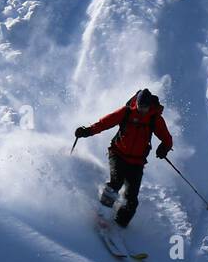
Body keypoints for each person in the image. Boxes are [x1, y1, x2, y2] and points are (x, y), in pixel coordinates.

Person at [74, 88, 172, 227]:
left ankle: (120, 224)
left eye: (145, 107)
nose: (142, 109)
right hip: (118, 154)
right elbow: (105, 123)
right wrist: (87, 131)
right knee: (116, 183)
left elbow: (167, 138)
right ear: (136, 103)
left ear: (150, 105)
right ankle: (101, 215)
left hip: (137, 162)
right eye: (139, 106)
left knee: (131, 198)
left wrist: (164, 148)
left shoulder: (154, 119)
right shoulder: (126, 112)